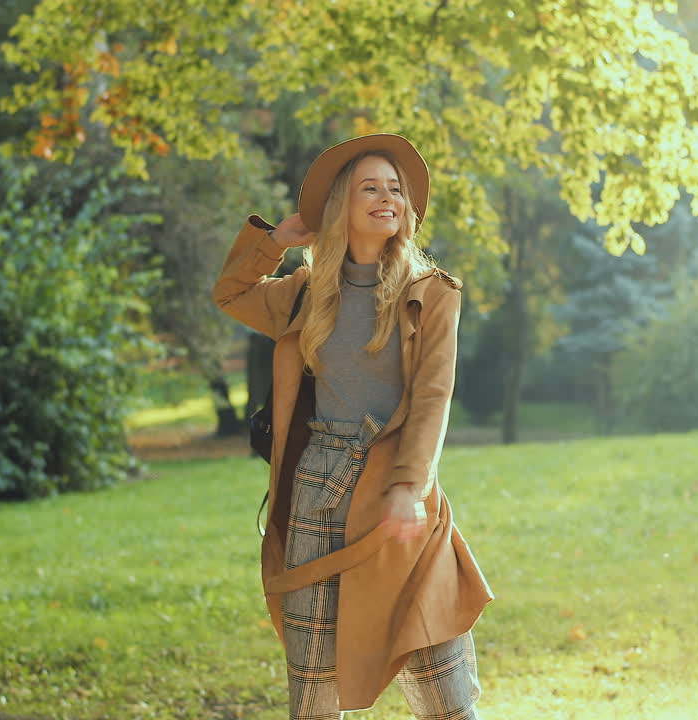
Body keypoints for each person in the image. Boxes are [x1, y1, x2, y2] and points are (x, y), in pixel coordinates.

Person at [212, 133, 493, 719]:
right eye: (370, 187)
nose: (387, 198)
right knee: (313, 690)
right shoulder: (308, 292)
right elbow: (232, 292)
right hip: (317, 493)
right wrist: (277, 240)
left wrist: (409, 488)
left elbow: (432, 397)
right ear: (342, 203)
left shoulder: (433, 294)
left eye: (395, 190)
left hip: (403, 498)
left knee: (447, 688)